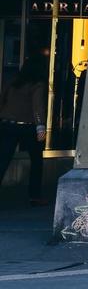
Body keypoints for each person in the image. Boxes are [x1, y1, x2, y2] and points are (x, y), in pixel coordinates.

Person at [0, 63, 48, 206]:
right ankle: (34, 196)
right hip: (28, 126)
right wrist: (40, 127)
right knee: (36, 161)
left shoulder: (13, 82)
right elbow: (37, 106)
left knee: (3, 159)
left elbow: (2, 100)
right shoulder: (38, 85)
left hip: (7, 124)